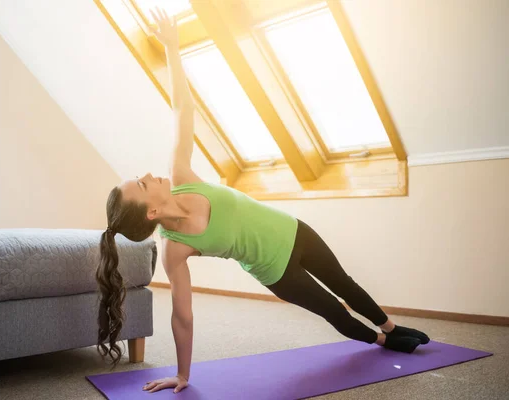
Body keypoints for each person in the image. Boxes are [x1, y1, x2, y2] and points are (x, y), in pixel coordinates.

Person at [95, 7, 430, 395]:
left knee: (345, 283)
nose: (149, 175)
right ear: (150, 211)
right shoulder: (176, 249)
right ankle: (382, 342)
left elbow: (182, 109)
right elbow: (182, 316)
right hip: (276, 271)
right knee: (333, 310)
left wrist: (172, 47)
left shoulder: (183, 178)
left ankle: (391, 326)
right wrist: (183, 375)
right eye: (141, 182)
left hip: (294, 231)